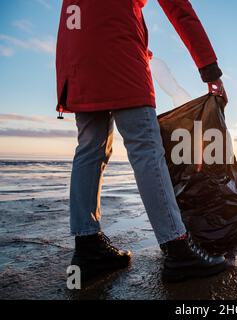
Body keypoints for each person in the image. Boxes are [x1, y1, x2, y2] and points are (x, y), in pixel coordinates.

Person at [56, 0, 228, 282]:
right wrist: (210, 69)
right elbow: (179, 10)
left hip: (74, 57)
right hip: (120, 56)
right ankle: (177, 248)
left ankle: (87, 248)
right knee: (146, 148)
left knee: (89, 148)